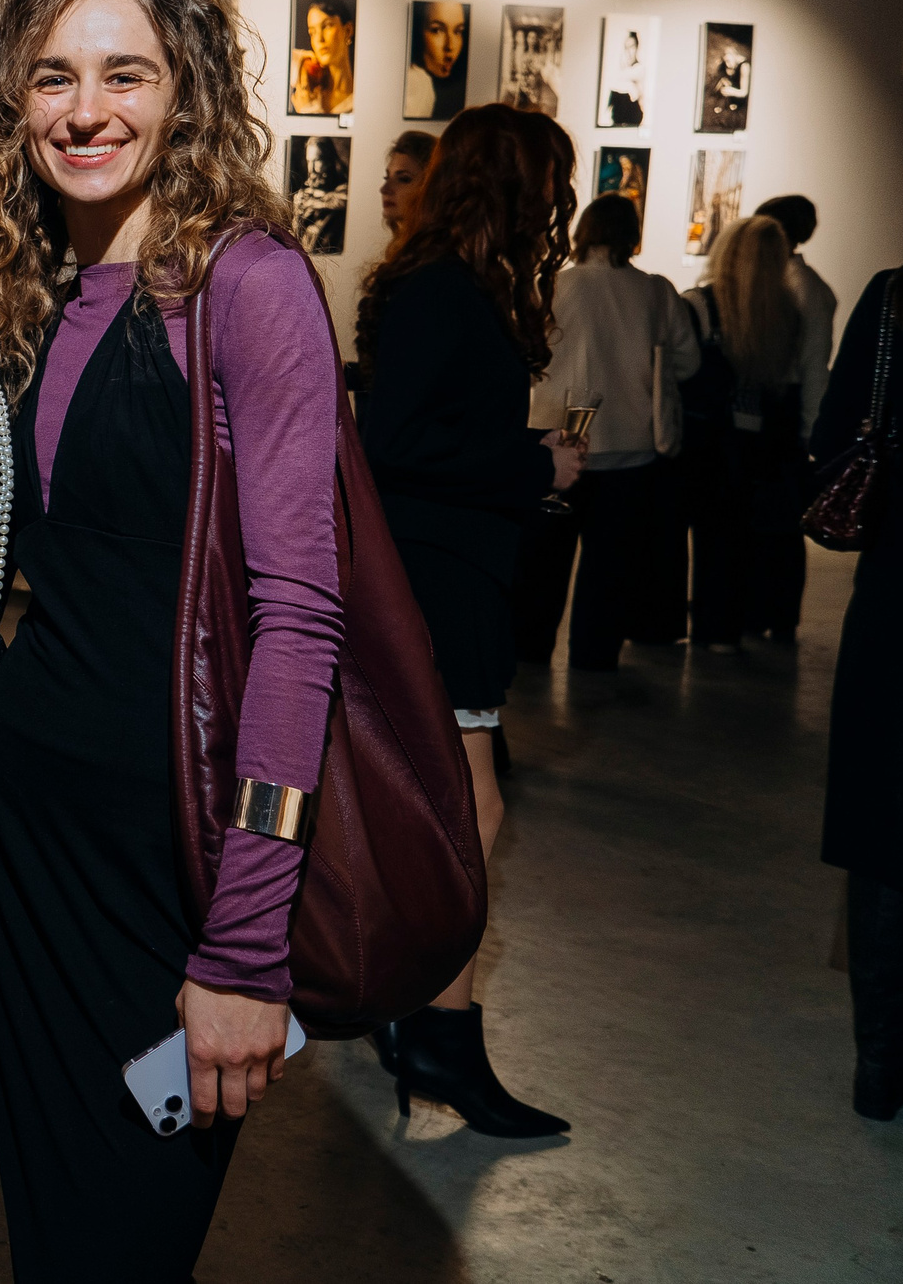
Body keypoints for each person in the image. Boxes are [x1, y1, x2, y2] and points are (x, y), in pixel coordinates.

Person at [0, 0, 341, 1275]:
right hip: (18, 839)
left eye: (128, 73)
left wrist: (244, 941)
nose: (86, 110)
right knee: (52, 1236)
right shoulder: (32, 282)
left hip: (171, 855)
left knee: (122, 1242)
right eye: (52, 77)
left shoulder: (248, 283)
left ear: (187, 96)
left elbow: (299, 621)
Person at [355, 102, 581, 1138]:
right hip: (434, 580)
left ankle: (424, 1022)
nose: (557, 203)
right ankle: (436, 1034)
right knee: (467, 817)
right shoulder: (438, 290)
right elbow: (393, 446)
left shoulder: (445, 286)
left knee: (450, 813)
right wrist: (536, 463)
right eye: (549, 182)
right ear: (516, 184)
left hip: (452, 574)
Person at [511, 193, 700, 671]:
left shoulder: (554, 283)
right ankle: (594, 657)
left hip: (556, 440)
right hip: (631, 448)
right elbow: (688, 359)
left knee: (545, 561)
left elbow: (526, 356)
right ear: (632, 235)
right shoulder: (657, 291)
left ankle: (531, 651)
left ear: (583, 230)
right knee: (610, 567)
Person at [813, 265, 903, 1118]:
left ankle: (880, 1062)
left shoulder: (897, 297)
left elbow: (836, 431)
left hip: (900, 598)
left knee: (887, 820)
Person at [682, 214, 818, 651]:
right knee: (745, 538)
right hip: (765, 445)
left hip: (710, 441)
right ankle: (733, 626)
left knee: (709, 539)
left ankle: (706, 625)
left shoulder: (700, 304)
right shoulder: (787, 315)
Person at [759, 194, 837, 633]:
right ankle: (774, 615)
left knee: (781, 523)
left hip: (785, 416)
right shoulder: (801, 284)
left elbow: (812, 366)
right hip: (786, 413)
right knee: (778, 521)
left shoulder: (800, 288)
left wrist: (809, 430)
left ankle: (777, 616)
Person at [404, 0, 468, 121]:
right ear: (418, 31)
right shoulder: (419, 83)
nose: (450, 46)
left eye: (458, 31)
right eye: (437, 30)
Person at [289, 0, 353, 114]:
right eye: (312, 32)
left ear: (348, 30)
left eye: (327, 26)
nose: (319, 39)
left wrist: (308, 110)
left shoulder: (359, 98)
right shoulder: (308, 77)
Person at [289, 134, 349, 253]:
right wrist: (298, 213)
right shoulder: (307, 192)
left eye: (317, 161)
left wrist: (315, 201)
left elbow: (344, 199)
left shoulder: (342, 188)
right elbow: (296, 236)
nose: (312, 169)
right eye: (309, 161)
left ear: (329, 161)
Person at [379, 129, 433, 235]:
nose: (384, 189)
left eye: (404, 179)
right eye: (387, 177)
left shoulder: (438, 249)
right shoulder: (407, 247)